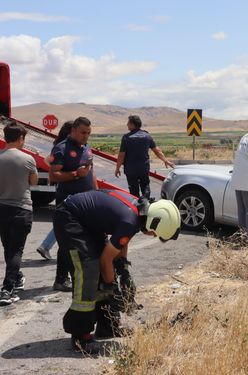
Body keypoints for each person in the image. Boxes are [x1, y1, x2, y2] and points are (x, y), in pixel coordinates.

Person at [54, 190, 180, 353]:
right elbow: (106, 260)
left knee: (106, 272)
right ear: (154, 222)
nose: (153, 235)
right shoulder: (130, 220)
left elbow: (121, 241)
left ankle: (108, 327)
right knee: (88, 271)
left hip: (87, 223)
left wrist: (123, 270)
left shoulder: (139, 211)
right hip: (69, 218)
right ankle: (80, 337)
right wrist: (113, 288)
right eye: (155, 233)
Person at [0, 122, 38, 306]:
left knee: (8, 248)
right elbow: (32, 181)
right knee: (16, 250)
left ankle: (16, 277)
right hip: (22, 208)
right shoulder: (28, 159)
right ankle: (7, 289)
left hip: (0, 209)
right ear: (21, 139)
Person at [48, 117, 98, 292]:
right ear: (73, 131)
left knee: (89, 238)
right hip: (68, 203)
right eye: (83, 133)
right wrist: (76, 174)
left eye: (89, 133)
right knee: (67, 241)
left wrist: (96, 193)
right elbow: (53, 176)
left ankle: (85, 275)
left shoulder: (86, 148)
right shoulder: (61, 149)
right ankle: (61, 279)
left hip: (88, 201)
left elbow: (90, 172)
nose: (86, 136)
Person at [36, 121, 74, 261]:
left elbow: (48, 161)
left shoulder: (58, 145)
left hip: (61, 186)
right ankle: (47, 246)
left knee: (64, 220)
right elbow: (48, 161)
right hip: (68, 187)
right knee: (66, 220)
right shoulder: (65, 147)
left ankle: (47, 246)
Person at [115, 115, 175, 198]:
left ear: (132, 124)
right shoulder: (147, 136)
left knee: (133, 192)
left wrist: (117, 168)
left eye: (128, 123)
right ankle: (146, 205)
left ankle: (136, 208)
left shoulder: (126, 138)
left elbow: (121, 155)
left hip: (131, 170)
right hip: (143, 169)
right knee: (145, 188)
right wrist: (165, 160)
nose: (127, 124)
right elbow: (157, 150)